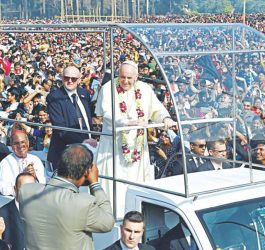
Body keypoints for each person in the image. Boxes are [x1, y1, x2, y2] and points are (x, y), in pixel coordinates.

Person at [95, 61, 175, 217]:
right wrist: (127, 122)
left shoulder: (144, 89)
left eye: (129, 78)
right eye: (122, 77)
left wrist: (165, 117)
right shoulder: (108, 88)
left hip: (137, 146)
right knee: (113, 186)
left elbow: (157, 109)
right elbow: (107, 114)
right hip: (114, 146)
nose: (125, 81)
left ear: (137, 77)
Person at [19, 144, 114, 249]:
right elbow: (108, 222)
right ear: (87, 172)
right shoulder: (83, 204)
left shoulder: (26, 192)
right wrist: (95, 184)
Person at [46, 65, 94, 170]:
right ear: (62, 78)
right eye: (66, 78)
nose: (70, 81)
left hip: (90, 149)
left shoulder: (84, 94)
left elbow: (90, 119)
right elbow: (61, 128)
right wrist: (84, 141)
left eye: (74, 79)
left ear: (79, 80)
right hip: (66, 152)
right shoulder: (54, 97)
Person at [0, 130, 45, 196]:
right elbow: (3, 189)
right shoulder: (5, 163)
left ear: (28, 143)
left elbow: (44, 184)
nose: (20, 145)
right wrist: (23, 179)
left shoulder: (35, 159)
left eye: (23, 142)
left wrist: (35, 176)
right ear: (12, 146)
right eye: (16, 143)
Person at [0, 173, 36, 250]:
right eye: (23, 189)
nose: (28, 193)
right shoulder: (2, 214)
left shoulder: (44, 212)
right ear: (15, 189)